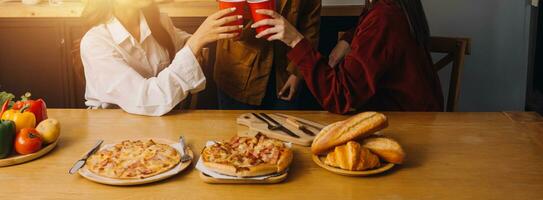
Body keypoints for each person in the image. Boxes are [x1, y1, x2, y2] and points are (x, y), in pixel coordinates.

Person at [251, 0, 444, 114]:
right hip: (419, 117)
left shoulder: (384, 17)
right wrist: (349, 39)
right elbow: (374, 31)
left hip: (408, 129)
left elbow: (340, 97)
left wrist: (295, 40)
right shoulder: (393, 7)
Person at [80, 0, 241, 116]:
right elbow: (147, 99)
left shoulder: (159, 22)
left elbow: (182, 42)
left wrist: (205, 37)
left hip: (157, 125)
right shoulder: (96, 42)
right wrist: (195, 43)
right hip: (113, 132)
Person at [214, 0, 321, 110]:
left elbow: (311, 28)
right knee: (235, 125)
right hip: (238, 69)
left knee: (283, 125)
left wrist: (297, 72)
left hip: (285, 72)